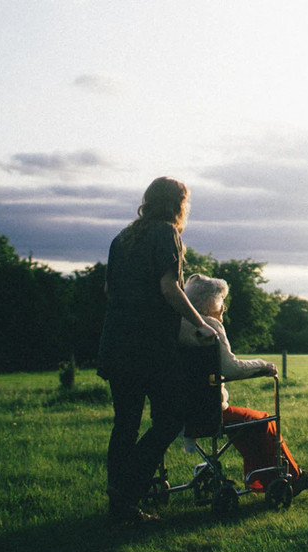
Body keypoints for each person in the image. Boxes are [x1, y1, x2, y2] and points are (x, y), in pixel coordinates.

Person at [97, 177, 219, 524]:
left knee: (125, 424)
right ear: (178, 204)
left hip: (116, 342)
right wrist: (201, 323)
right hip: (148, 346)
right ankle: (127, 491)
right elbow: (170, 288)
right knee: (170, 419)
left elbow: (110, 289)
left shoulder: (121, 238)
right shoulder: (167, 234)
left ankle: (118, 503)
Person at [178, 273, 308, 496]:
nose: (224, 308)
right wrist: (263, 365)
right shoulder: (210, 326)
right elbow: (231, 369)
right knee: (263, 421)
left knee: (247, 424)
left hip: (181, 411)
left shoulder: (179, 326)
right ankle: (292, 477)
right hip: (210, 412)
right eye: (221, 301)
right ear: (210, 302)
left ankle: (264, 481)